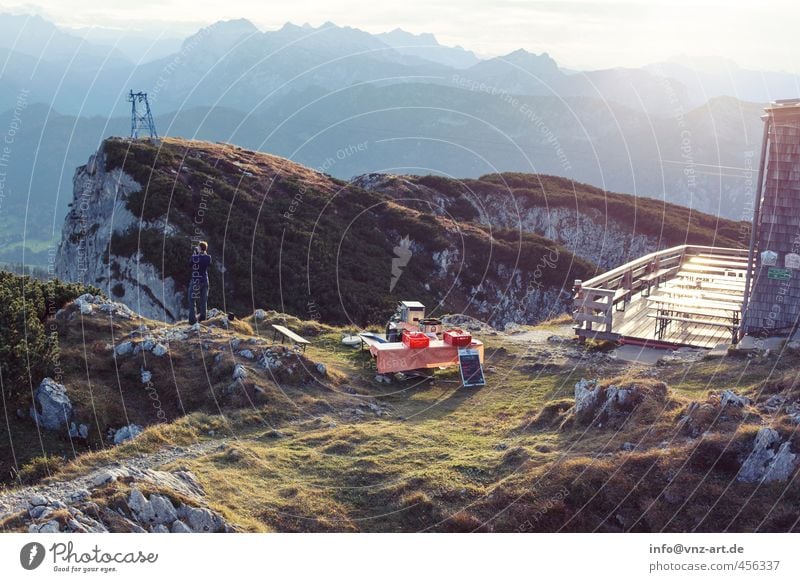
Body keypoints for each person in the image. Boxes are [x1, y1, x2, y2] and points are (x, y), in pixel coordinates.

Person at [187, 241, 211, 325]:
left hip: (195, 281)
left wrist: (196, 254)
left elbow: (190, 264)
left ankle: (192, 321)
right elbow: (207, 263)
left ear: (200, 248)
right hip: (205, 280)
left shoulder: (195, 257)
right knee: (204, 300)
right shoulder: (208, 257)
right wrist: (202, 254)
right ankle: (203, 319)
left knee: (192, 300)